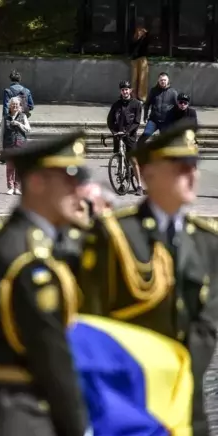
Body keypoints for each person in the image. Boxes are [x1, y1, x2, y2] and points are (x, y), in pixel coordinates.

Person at [77, 120, 218, 436]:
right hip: (127, 404)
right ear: (149, 173)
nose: (191, 174)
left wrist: (174, 378)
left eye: (193, 165)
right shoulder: (115, 236)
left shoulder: (208, 243)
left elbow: (207, 327)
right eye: (180, 166)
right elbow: (93, 322)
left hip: (185, 406)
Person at [0, 133, 91, 436]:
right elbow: (51, 356)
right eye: (71, 176)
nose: (80, 189)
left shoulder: (4, 237)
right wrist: (80, 427)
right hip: (19, 415)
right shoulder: (29, 257)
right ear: (38, 182)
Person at [107, 80, 144, 194]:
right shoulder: (116, 105)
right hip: (118, 135)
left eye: (127, 89)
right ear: (121, 91)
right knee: (119, 159)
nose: (125, 91)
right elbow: (110, 120)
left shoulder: (136, 104)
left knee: (133, 160)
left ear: (130, 90)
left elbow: (137, 122)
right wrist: (114, 131)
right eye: (123, 90)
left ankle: (139, 186)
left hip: (130, 135)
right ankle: (122, 184)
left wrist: (128, 132)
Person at [137, 72, 178, 147]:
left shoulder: (173, 92)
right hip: (154, 120)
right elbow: (147, 104)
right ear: (158, 81)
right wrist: (145, 116)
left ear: (168, 81)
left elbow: (177, 107)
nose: (163, 82)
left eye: (164, 80)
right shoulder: (153, 91)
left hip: (166, 121)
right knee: (146, 134)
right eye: (161, 80)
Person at [3, 96, 31, 195]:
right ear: (10, 106)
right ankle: (10, 187)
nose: (14, 106)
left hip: (20, 144)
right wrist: (1, 148)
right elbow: (2, 133)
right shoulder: (6, 117)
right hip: (9, 144)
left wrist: (19, 124)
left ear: (19, 106)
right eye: (13, 104)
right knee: (10, 167)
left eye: (16, 104)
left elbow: (28, 129)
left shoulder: (23, 116)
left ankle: (17, 187)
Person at [130, 22, 150, 102]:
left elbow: (148, 41)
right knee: (134, 78)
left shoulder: (145, 38)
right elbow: (131, 46)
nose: (140, 32)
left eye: (141, 30)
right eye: (138, 30)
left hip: (142, 58)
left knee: (143, 78)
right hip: (134, 59)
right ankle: (133, 96)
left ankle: (142, 97)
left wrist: (145, 35)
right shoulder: (133, 38)